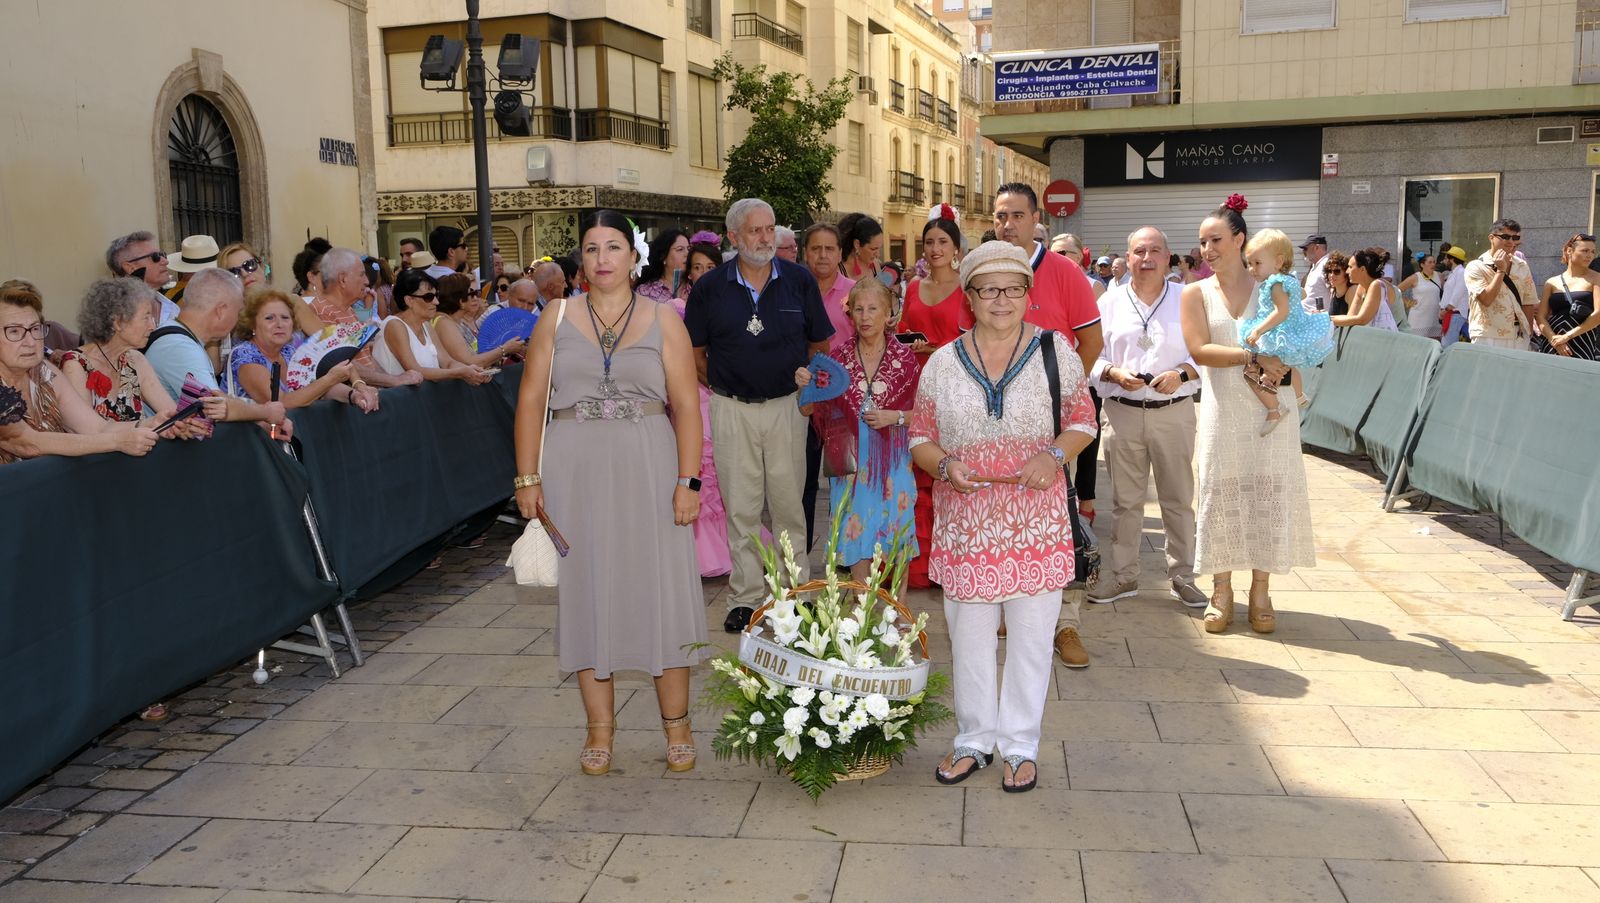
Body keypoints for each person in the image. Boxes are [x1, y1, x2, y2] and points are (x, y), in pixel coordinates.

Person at [513, 208, 707, 775]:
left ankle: (678, 725)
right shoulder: (554, 315)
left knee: (661, 593)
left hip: (650, 461)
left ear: (633, 255)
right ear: (581, 258)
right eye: (592, 248)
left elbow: (689, 406)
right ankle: (600, 728)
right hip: (573, 467)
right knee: (587, 592)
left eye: (614, 247)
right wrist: (528, 478)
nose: (602, 259)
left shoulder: (666, 318)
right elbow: (530, 399)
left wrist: (688, 481)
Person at [909, 240, 1097, 792]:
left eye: (1013, 288)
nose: (1001, 299)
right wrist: (944, 466)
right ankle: (973, 739)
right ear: (968, 297)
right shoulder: (943, 363)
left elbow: (1083, 420)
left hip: (1035, 522)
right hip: (967, 521)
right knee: (968, 635)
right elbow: (920, 436)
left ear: (1027, 295)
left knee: (1033, 637)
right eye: (988, 289)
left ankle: (1019, 744)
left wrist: (1054, 455)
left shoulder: (1056, 351)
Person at [685, 198, 834, 633]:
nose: (766, 238)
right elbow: (694, 352)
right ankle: (746, 598)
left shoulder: (799, 281)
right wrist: (723, 386)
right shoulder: (710, 288)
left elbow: (818, 344)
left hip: (787, 408)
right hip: (731, 409)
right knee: (742, 508)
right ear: (734, 237)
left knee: (790, 505)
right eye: (755, 231)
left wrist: (804, 388)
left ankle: (796, 591)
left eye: (770, 229)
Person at [1180, 194, 1316, 636]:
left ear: (1239, 240)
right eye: (1202, 242)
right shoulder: (1194, 293)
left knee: (1268, 493)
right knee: (1221, 493)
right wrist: (1252, 356)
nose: (1208, 250)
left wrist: (1284, 363)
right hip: (1222, 411)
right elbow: (1200, 350)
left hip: (1273, 411)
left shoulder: (1272, 287)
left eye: (1216, 239)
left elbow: (1295, 339)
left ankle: (1261, 590)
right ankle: (1222, 591)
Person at [992, 181, 1104, 665]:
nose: (1008, 224)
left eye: (1017, 215)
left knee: (1063, 523)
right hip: (995, 430)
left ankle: (1067, 624)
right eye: (1000, 215)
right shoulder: (984, 274)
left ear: (1037, 220)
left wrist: (1064, 396)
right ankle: (1006, 611)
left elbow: (1091, 342)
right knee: (1001, 519)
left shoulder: (1063, 272)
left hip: (1054, 430)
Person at [1087, 228, 1207, 610]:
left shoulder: (1188, 299)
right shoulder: (1109, 301)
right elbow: (1091, 354)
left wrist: (1182, 374)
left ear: (1169, 256)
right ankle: (1124, 577)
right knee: (1125, 502)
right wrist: (1112, 374)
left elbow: (1205, 353)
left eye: (1155, 250)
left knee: (1178, 499)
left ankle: (1183, 577)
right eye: (1139, 250)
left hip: (1174, 413)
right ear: (1128, 256)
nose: (1147, 257)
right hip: (1122, 411)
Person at [794, 278, 920, 587]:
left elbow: (927, 415)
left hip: (893, 461)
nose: (864, 316)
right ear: (849, 313)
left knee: (898, 532)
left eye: (873, 308)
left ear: (889, 313)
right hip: (850, 461)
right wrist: (804, 388)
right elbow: (808, 410)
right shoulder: (838, 359)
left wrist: (896, 417)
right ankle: (860, 612)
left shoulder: (905, 360)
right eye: (858, 309)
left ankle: (900, 614)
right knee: (855, 531)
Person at [0, 285, 161, 465]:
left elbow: (97, 428)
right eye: (14, 331)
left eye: (35, 329)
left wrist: (155, 423)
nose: (30, 342)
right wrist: (118, 442)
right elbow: (26, 444)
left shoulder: (45, 371)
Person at [900, 210, 972, 590]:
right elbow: (899, 334)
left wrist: (939, 346)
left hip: (955, 387)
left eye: (942, 241)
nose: (935, 248)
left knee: (945, 472)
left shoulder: (967, 287)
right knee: (914, 472)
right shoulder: (913, 288)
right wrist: (910, 343)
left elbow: (975, 340)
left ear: (956, 247)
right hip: (914, 385)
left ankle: (949, 560)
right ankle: (916, 564)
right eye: (929, 242)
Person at [143, 268, 293, 436]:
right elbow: (213, 406)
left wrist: (259, 421)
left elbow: (217, 402)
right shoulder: (180, 347)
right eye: (238, 312)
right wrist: (265, 412)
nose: (237, 320)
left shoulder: (180, 338)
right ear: (221, 310)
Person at [57, 279, 213, 434]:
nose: (152, 326)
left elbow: (170, 412)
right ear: (118, 322)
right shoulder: (76, 364)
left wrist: (185, 422)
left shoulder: (135, 360)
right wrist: (147, 425)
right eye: (146, 317)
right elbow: (85, 431)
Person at [1239, 229, 1332, 431]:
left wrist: (1258, 330)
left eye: (1257, 263)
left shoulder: (1275, 284)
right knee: (1285, 367)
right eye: (1249, 264)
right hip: (1286, 332)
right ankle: (1298, 396)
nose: (1251, 269)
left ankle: (1275, 409)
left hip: (1279, 332)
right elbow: (1303, 292)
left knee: (1254, 372)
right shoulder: (1287, 279)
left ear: (1278, 262)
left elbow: (1281, 312)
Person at [229, 288, 379, 412]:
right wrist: (329, 379)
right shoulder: (245, 355)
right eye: (269, 318)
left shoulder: (289, 352)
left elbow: (317, 389)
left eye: (285, 317)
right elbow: (281, 402)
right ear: (252, 325)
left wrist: (354, 396)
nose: (279, 324)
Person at [313, 249, 422, 388]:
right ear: (343, 279)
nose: (366, 281)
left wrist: (393, 380)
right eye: (362, 274)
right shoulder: (322, 311)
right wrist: (393, 380)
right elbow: (343, 363)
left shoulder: (349, 310)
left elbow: (365, 359)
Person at [373, 268, 494, 384]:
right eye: (429, 297)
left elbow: (448, 363)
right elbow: (415, 370)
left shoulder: (426, 325)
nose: (436, 302)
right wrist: (461, 373)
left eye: (436, 295)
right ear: (409, 300)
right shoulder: (394, 325)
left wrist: (474, 371)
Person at [1465, 219, 1537, 350]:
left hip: (1519, 335)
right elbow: (1486, 299)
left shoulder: (1522, 265)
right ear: (1491, 238)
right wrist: (1501, 270)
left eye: (1515, 237)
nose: (1511, 242)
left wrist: (1529, 332)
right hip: (1488, 334)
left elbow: (1528, 301)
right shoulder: (1476, 266)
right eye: (1505, 237)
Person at [433, 273, 524, 369]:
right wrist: (505, 349)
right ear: (460, 300)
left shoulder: (457, 322)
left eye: (477, 293)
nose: (476, 298)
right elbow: (470, 362)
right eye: (472, 294)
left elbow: (478, 354)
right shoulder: (444, 323)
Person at [1537, 233, 1600, 360]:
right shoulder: (1551, 282)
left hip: (1583, 339)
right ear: (1569, 251)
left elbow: (1598, 314)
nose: (1590, 255)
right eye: (1585, 251)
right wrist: (1553, 339)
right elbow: (1540, 316)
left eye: (1593, 252)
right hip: (1552, 342)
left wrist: (1567, 336)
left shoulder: (1597, 278)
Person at [105, 231, 178, 325]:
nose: (165, 261)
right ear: (130, 267)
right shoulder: (115, 314)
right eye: (155, 257)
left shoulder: (171, 307)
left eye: (162, 255)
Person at [804, 223, 856, 340]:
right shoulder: (792, 292)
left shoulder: (856, 292)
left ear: (839, 254)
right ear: (805, 253)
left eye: (829, 249)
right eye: (816, 249)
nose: (823, 255)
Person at [1332, 248, 1399, 331]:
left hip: (1400, 338)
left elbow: (1362, 319)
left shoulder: (1377, 285)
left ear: (1362, 269)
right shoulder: (1361, 287)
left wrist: (1328, 320)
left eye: (1350, 267)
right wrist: (1325, 318)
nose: (1347, 271)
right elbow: (1351, 317)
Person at [638, 230, 691, 306]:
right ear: (663, 256)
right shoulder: (646, 291)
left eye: (689, 249)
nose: (687, 253)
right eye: (680, 249)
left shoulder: (695, 287)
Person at [1399, 252, 1444, 339]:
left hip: (1434, 317)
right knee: (1417, 343)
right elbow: (1396, 290)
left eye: (1434, 262)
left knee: (1434, 343)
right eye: (1430, 262)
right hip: (1418, 317)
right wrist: (1407, 301)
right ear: (1422, 264)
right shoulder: (1415, 277)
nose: (1433, 264)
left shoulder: (1439, 276)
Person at [837, 212, 885, 281]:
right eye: (873, 249)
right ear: (857, 244)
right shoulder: (837, 269)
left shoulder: (875, 265)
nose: (878, 255)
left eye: (879, 248)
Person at [1439, 244, 1471, 346]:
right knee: (1447, 346)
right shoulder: (1455, 273)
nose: (1444, 261)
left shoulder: (1461, 272)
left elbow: (1458, 293)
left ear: (1451, 259)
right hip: (1451, 314)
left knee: (1448, 347)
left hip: (1454, 315)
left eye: (1446, 258)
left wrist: (1446, 309)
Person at [1300, 235, 1331, 313]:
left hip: (1319, 320)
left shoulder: (1326, 265)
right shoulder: (1316, 265)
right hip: (1311, 319)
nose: (1304, 252)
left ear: (1316, 248)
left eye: (1306, 249)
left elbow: (1334, 292)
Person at [1324, 251, 1355, 316]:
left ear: (1346, 273)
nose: (1332, 275)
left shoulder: (1352, 291)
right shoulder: (1333, 291)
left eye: (1336, 271)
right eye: (1329, 271)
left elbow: (1351, 320)